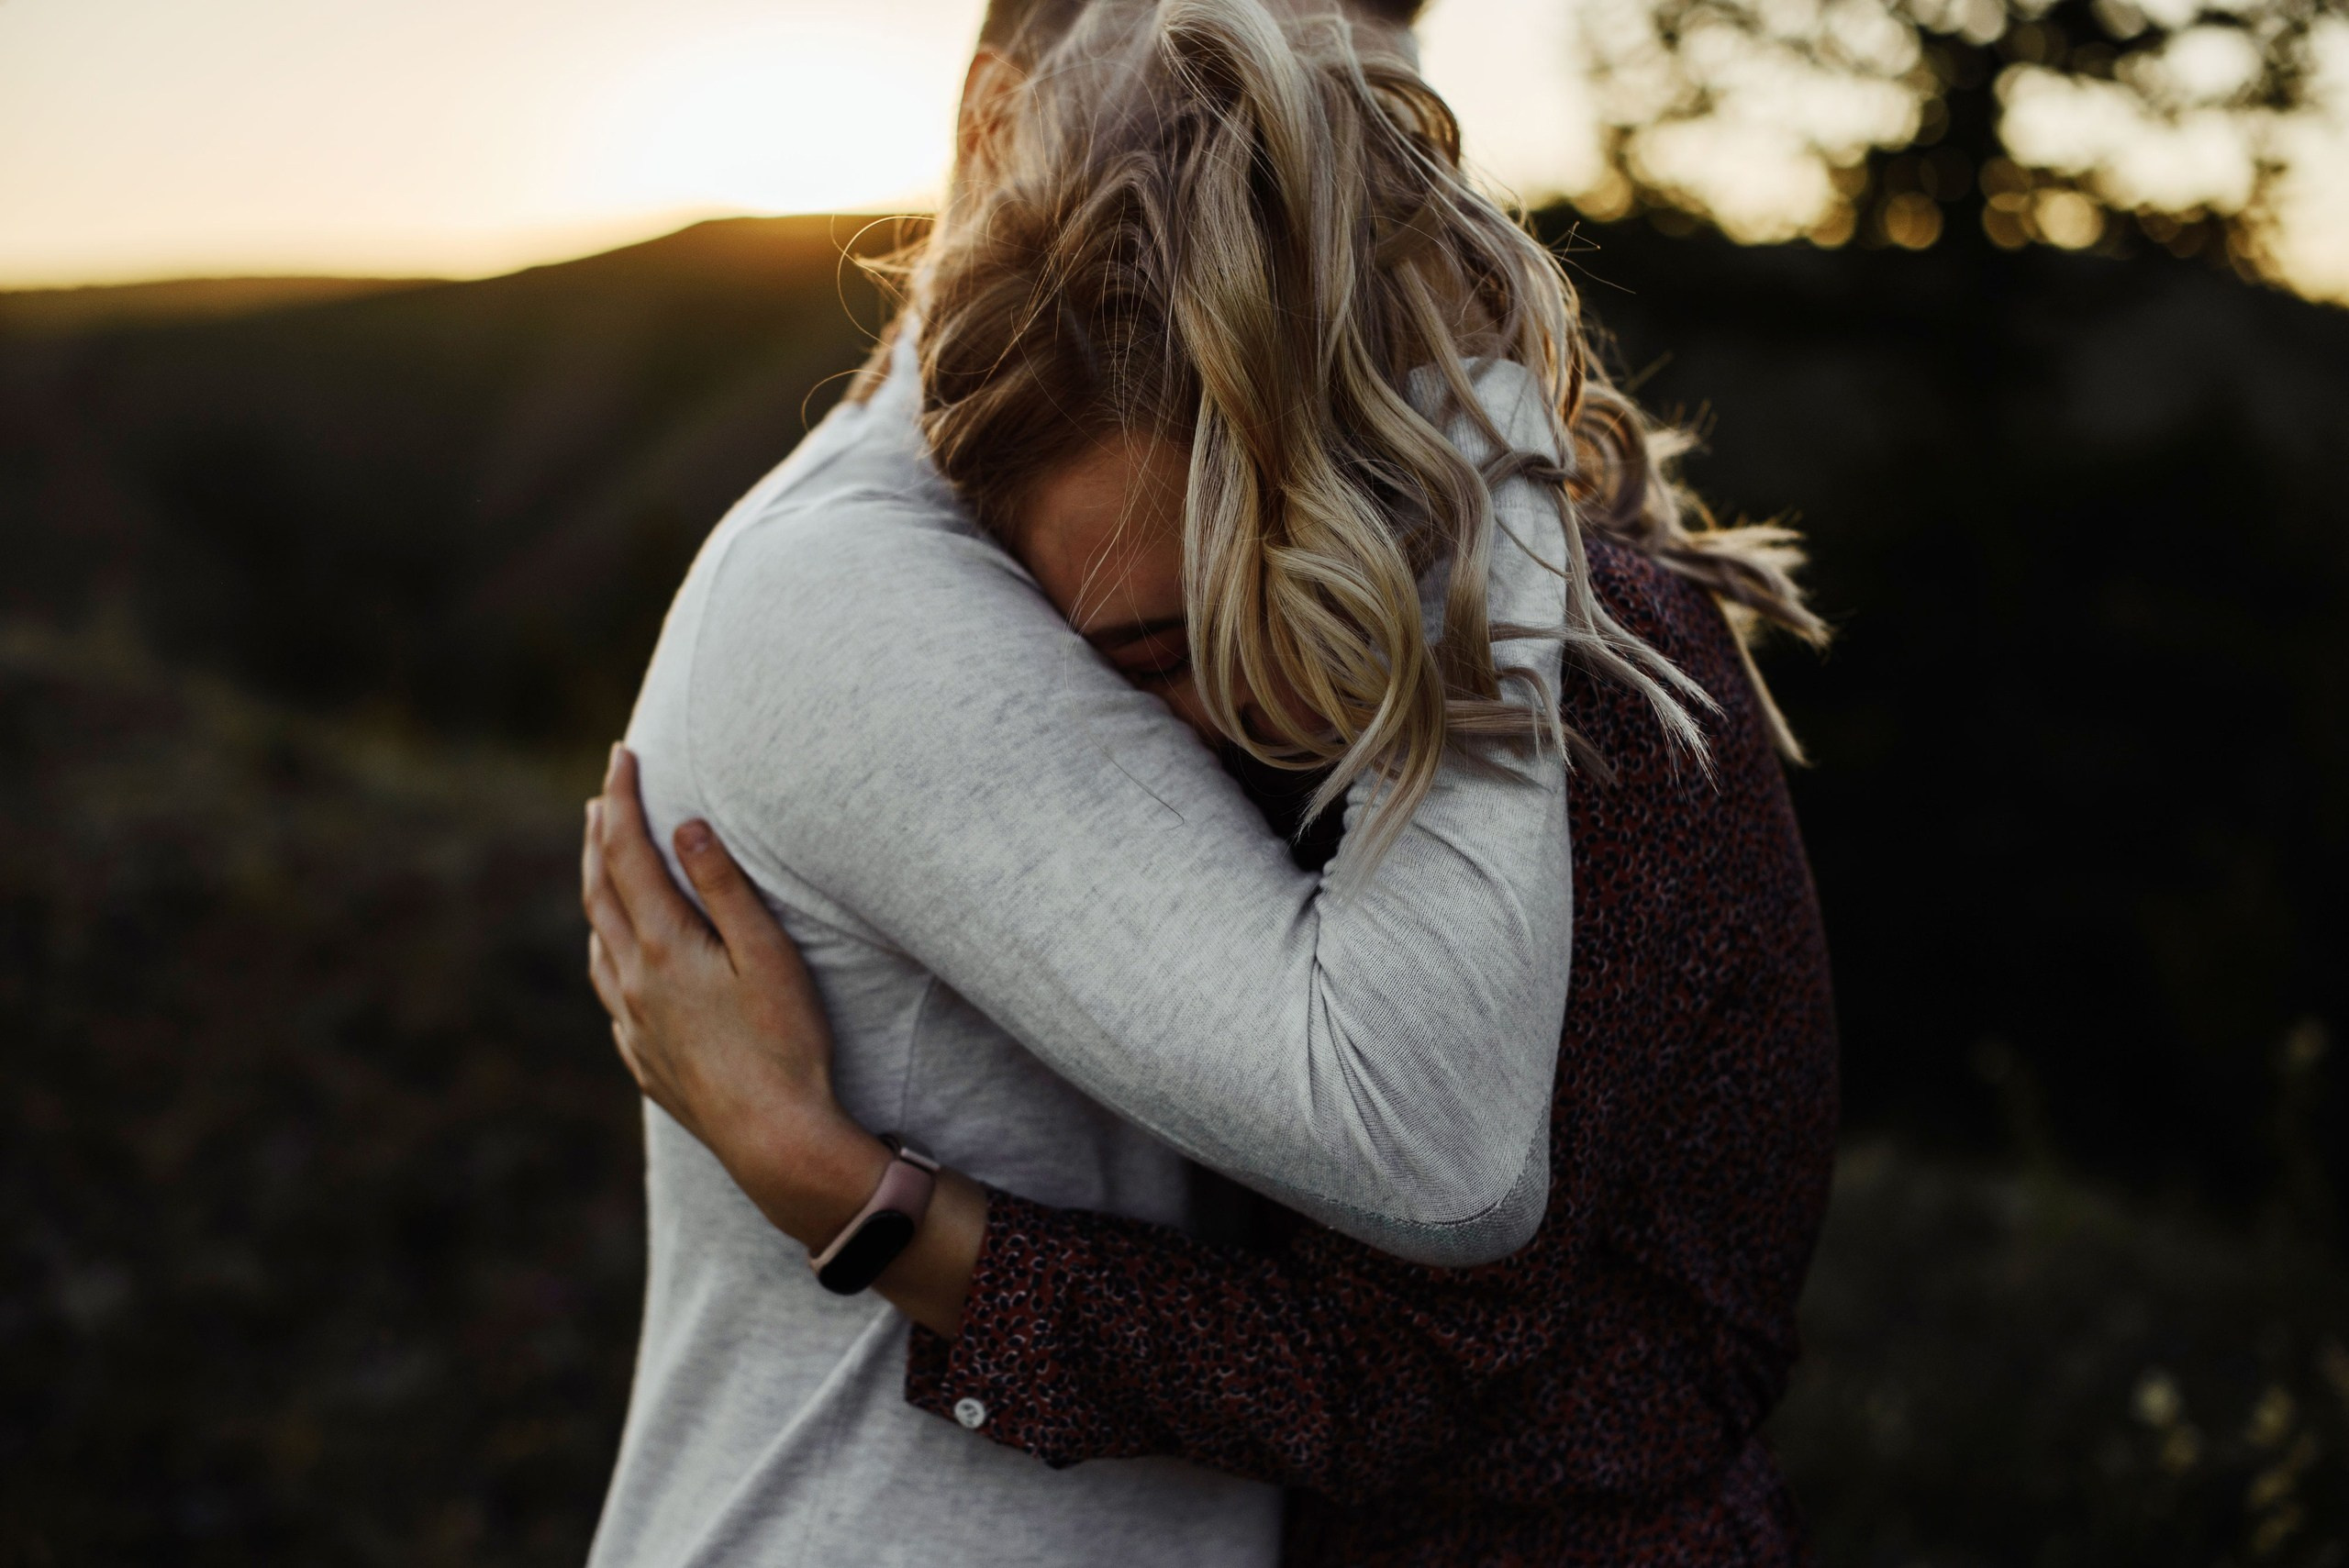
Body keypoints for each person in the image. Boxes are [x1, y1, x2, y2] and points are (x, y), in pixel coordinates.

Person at [582, 0, 1838, 1561]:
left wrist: (846, 1193)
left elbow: (1410, 1351)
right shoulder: (892, 570)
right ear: (999, 120)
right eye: (1215, 73)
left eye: (1351, 112)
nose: (1244, 708)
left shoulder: (1563, 664)